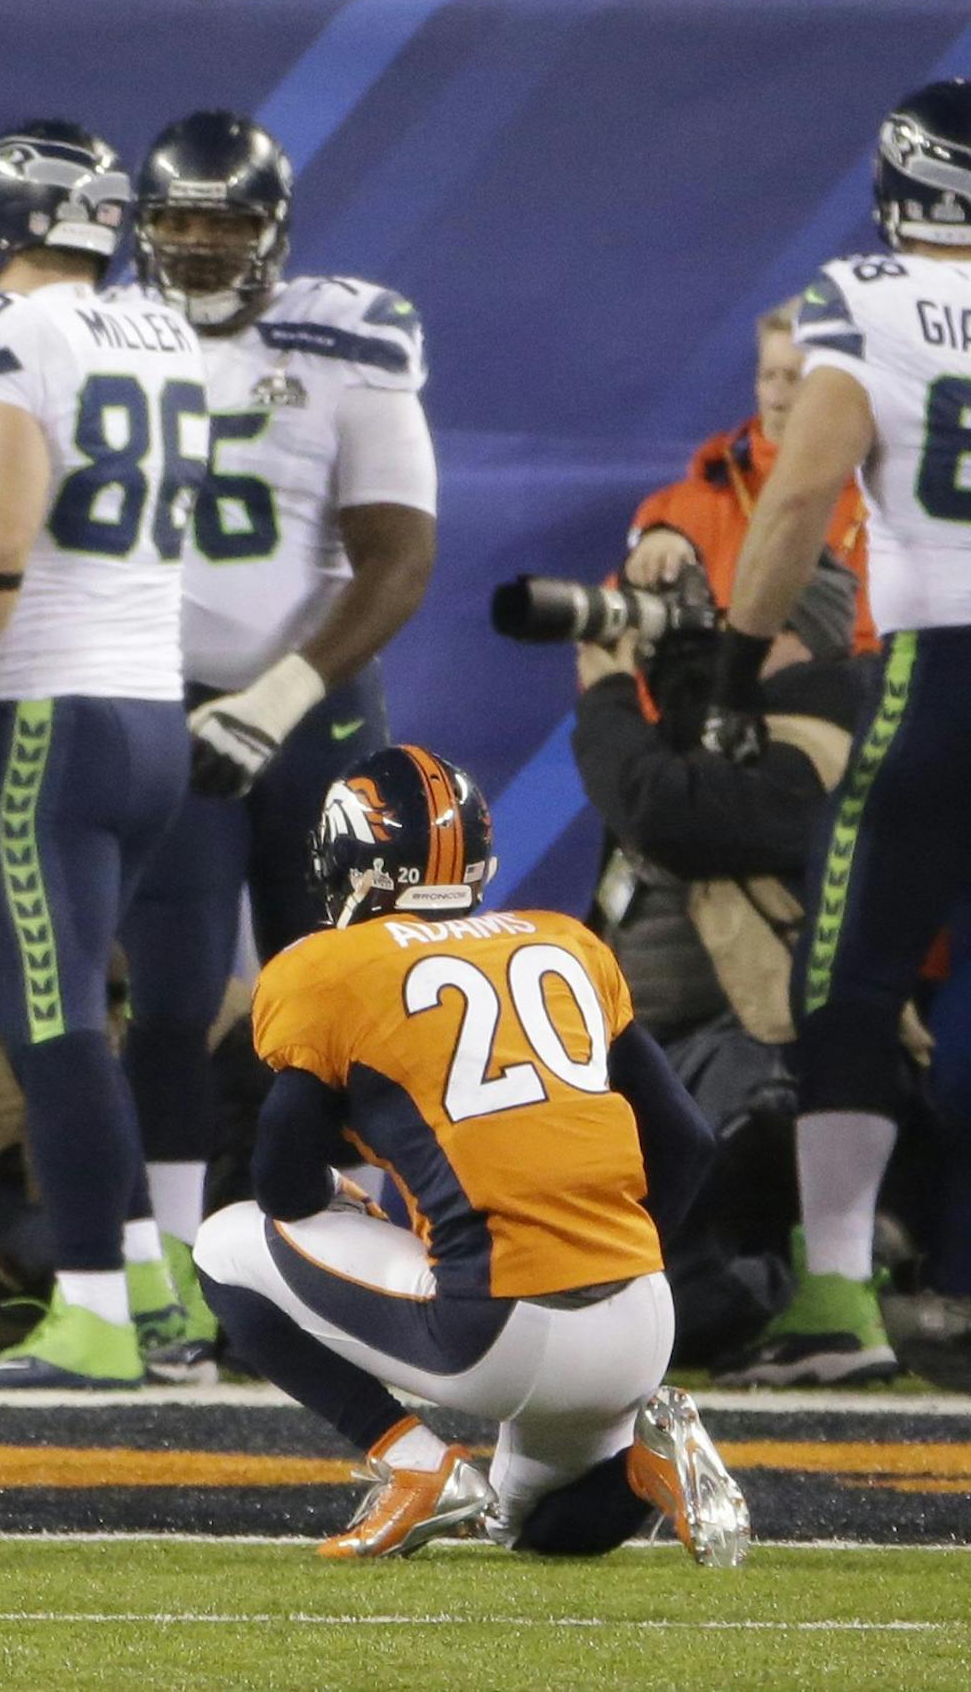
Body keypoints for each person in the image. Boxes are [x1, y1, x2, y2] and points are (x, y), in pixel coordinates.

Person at [194, 745, 750, 1568]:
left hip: (495, 1325)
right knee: (538, 1526)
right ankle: (644, 1461)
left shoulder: (328, 971)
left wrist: (342, 1188)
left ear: (348, 861)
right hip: (639, 1319)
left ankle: (414, 1465)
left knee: (226, 1244)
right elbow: (688, 1142)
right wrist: (603, 1257)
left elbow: (279, 1185)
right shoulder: (568, 944)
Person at [116, 110, 438, 1374]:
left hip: (313, 716)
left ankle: (345, 1268)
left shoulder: (348, 338)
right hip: (165, 701)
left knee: (338, 1008)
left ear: (275, 231)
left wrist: (283, 693)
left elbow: (400, 556)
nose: (198, 244)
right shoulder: (111, 334)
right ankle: (171, 1275)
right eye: (177, 219)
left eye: (226, 220)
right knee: (175, 1001)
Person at [0, 121, 208, 1389]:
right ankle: (149, 1287)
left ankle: (88, 1314)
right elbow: (74, 506)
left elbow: (7, 535)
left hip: (47, 717)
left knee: (54, 1024)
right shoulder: (161, 326)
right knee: (84, 1011)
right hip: (150, 718)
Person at [707, 79, 971, 1385]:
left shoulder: (865, 296)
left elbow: (802, 490)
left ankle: (838, 1297)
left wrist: (735, 664)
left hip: (942, 667)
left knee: (848, 982)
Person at [571, 558, 869, 1362]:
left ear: (800, 637)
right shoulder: (703, 739)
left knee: (740, 1111)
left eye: (748, 627)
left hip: (757, 1054)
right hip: (651, 1052)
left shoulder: (831, 726)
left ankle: (760, 1285)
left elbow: (666, 813)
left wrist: (605, 697)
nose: (721, 647)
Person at [622, 297, 874, 652]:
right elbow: (620, 642)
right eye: (768, 375)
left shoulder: (894, 501)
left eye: (796, 378)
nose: (776, 398)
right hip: (721, 700)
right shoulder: (683, 512)